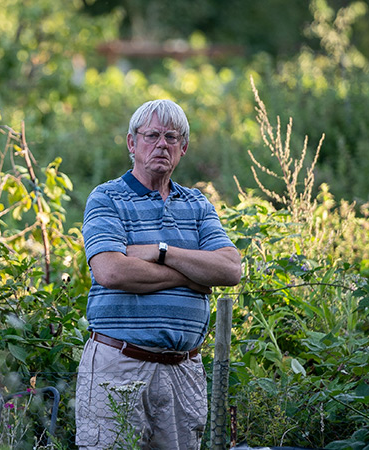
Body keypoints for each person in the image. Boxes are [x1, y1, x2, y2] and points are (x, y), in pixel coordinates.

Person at [75, 99, 242, 449]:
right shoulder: (107, 198)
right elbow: (111, 271)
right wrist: (191, 276)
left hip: (182, 371)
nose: (161, 144)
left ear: (183, 148)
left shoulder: (196, 206)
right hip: (118, 366)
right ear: (132, 143)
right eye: (151, 135)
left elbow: (229, 268)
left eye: (171, 137)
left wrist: (161, 252)